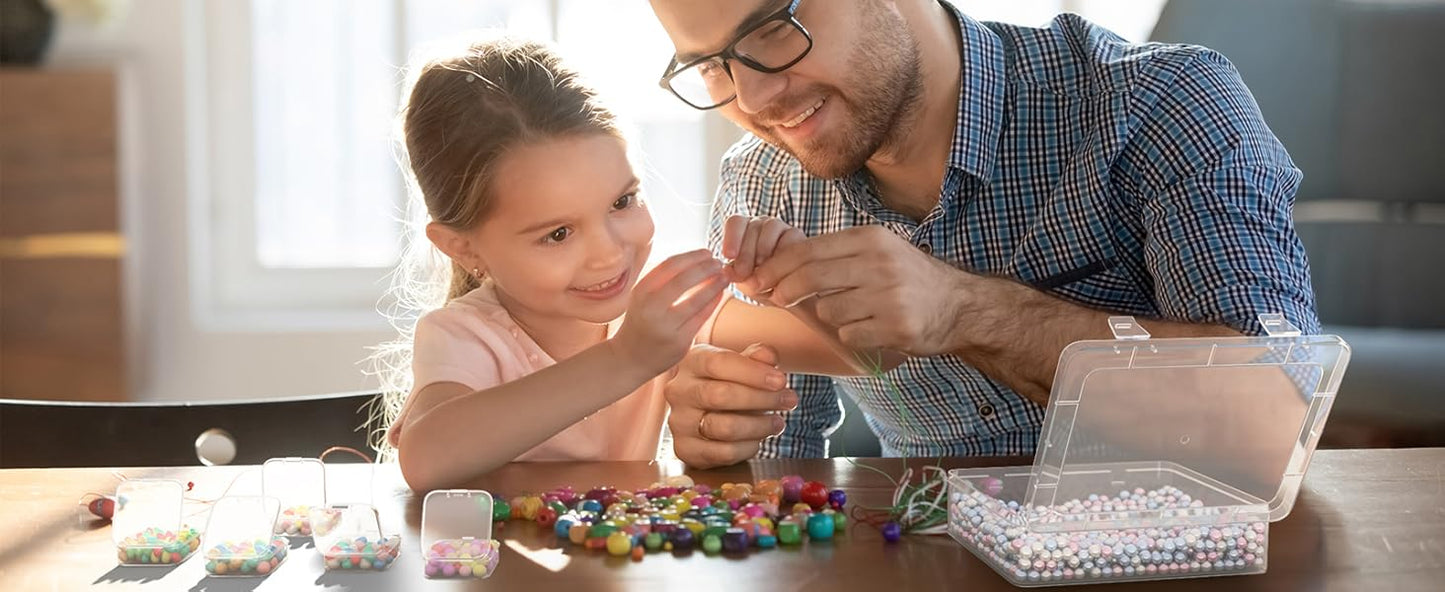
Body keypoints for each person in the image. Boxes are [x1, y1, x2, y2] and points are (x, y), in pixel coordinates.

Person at [647, 0, 1321, 467]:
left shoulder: (1159, 102)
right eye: (709, 65)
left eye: (772, 27)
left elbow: (1277, 413)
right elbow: (774, 475)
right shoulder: (764, 183)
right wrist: (718, 436)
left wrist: (966, 312)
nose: (753, 100)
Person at [373, 35, 893, 491]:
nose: (609, 252)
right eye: (557, 233)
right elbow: (425, 459)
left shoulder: (659, 311)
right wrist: (628, 358)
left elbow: (870, 360)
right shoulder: (465, 336)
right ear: (462, 248)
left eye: (622, 202)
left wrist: (796, 289)